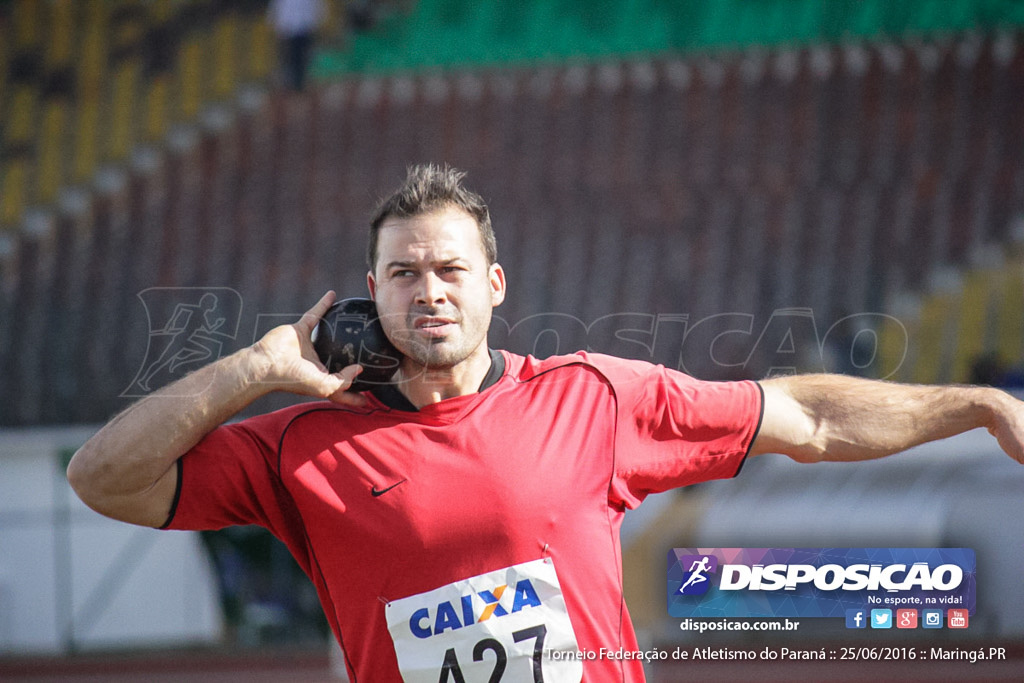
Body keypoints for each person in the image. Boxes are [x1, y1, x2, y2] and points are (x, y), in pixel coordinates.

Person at [68, 164, 1024, 681]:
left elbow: (807, 415)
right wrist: (257, 368)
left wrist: (978, 405)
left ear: (494, 287)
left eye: (449, 270)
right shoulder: (299, 447)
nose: (427, 292)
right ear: (370, 295)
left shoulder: (593, 398)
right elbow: (102, 478)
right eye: (403, 273)